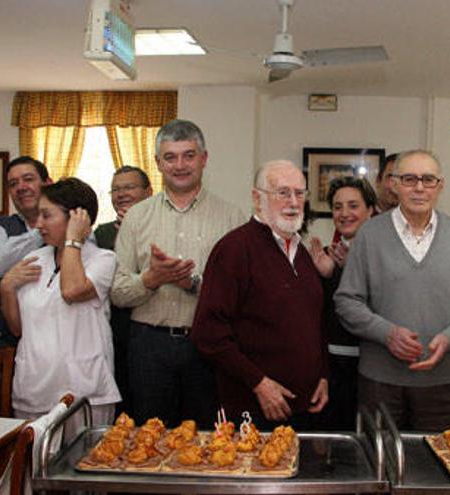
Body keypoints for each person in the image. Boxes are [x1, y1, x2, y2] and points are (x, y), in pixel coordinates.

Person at [334, 150, 450, 431]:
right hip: (380, 382)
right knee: (380, 465)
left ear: (440, 185)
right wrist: (387, 334)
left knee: (437, 468)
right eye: (409, 179)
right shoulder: (369, 235)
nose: (419, 187)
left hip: (445, 383)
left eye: (428, 179)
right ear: (394, 184)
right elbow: (347, 302)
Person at [112, 119, 245, 426]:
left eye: (189, 155)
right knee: (151, 438)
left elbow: (242, 294)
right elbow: (117, 292)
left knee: (208, 441)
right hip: (149, 346)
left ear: (204, 159)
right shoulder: (136, 216)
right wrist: (150, 279)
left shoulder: (232, 216)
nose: (180, 165)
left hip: (210, 345)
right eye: (170, 157)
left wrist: (195, 284)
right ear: (158, 163)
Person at [192, 160, 328, 429]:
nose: (293, 201)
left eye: (300, 193)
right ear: (257, 198)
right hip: (253, 408)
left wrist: (322, 375)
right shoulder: (234, 250)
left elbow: (315, 321)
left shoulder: (301, 252)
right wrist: (259, 383)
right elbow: (207, 333)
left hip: (305, 407)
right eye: (282, 192)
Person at [1, 178, 120, 431]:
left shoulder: (103, 260)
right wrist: (6, 288)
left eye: (46, 215)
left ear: (77, 217)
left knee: (84, 466)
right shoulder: (34, 259)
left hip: (84, 392)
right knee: (32, 467)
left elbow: (72, 290)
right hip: (33, 389)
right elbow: (18, 329)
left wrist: (73, 240)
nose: (38, 224)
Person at [309, 176, 377, 430]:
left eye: (353, 205)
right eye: (338, 207)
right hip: (330, 365)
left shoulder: (385, 255)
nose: (344, 213)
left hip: (370, 366)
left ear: (370, 211)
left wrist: (346, 272)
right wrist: (323, 276)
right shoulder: (324, 255)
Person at [93, 165, 152, 416]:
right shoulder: (101, 233)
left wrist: (135, 229)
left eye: (129, 187)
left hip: (151, 331)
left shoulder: (160, 227)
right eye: (116, 189)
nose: (121, 194)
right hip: (115, 331)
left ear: (148, 192)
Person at [0, 156, 51, 348]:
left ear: (47, 183)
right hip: (12, 340)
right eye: (13, 183)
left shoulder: (70, 221)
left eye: (28, 179)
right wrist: (42, 231)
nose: (21, 187)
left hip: (57, 335)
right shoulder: (0, 225)